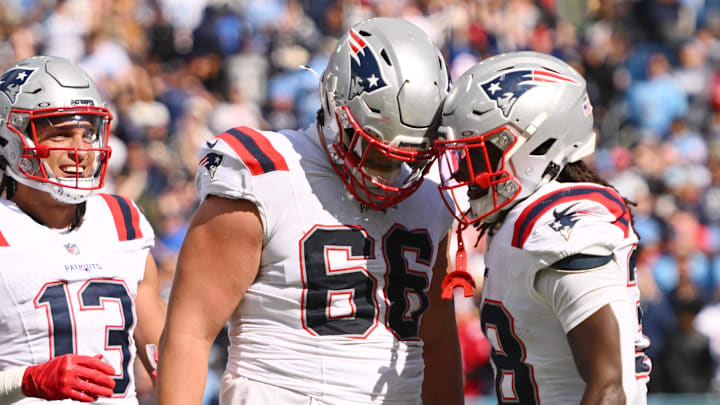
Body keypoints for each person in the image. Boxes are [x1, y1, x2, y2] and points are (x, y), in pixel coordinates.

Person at [158, 17, 463, 405]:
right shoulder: (265, 176)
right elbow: (190, 332)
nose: (385, 172)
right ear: (335, 103)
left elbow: (436, 343)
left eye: (405, 156)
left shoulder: (429, 198)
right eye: (373, 148)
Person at [435, 51, 651, 404]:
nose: (462, 172)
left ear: (536, 145)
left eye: (476, 153)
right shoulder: (517, 220)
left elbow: (610, 388)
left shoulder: (559, 223)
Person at [0, 56, 166, 404]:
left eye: (87, 133)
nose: (81, 150)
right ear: (10, 140)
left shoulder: (122, 220)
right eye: (60, 134)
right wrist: (25, 381)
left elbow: (165, 358)